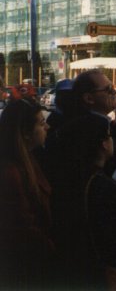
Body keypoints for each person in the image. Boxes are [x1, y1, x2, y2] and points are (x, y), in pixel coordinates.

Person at [50, 113, 116, 288]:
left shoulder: (71, 178)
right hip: (103, 275)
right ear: (102, 144)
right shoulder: (103, 185)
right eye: (109, 135)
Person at [0, 99, 55, 288]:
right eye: (41, 123)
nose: (47, 127)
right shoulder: (12, 172)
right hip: (27, 268)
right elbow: (23, 226)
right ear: (25, 133)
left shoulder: (28, 160)